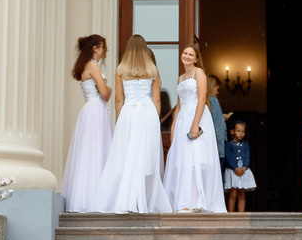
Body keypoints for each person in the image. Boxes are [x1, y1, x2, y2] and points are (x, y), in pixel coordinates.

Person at [96, 35, 171, 214]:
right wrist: (155, 118)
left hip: (128, 113)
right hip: (147, 113)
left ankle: (127, 198)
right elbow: (157, 99)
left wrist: (120, 119)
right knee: (146, 156)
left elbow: (119, 99)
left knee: (127, 154)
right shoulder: (152, 69)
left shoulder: (121, 69)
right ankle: (144, 198)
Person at [162, 40, 227, 213]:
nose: (187, 56)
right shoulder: (181, 78)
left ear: (196, 59)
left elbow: (202, 98)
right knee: (183, 161)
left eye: (191, 54)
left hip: (197, 117)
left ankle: (196, 200)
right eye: (185, 53)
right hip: (183, 118)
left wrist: (195, 124)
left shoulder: (199, 73)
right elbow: (179, 104)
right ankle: (183, 201)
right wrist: (174, 126)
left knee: (196, 159)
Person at [64, 35, 114, 213]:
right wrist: (109, 89)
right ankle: (96, 197)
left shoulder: (85, 65)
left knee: (90, 151)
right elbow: (105, 94)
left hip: (91, 109)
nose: (105, 51)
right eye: (103, 47)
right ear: (95, 48)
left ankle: (89, 196)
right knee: (97, 150)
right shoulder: (93, 65)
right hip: (96, 109)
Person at [222, 116, 256, 213]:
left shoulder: (245, 144)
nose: (241, 133)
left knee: (242, 193)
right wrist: (234, 168)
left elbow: (247, 156)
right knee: (233, 193)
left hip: (243, 171)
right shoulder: (228, 145)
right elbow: (228, 157)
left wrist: (244, 167)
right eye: (238, 131)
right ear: (232, 132)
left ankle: (241, 214)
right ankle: (231, 214)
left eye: (243, 131)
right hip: (233, 171)